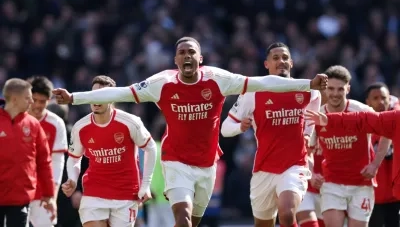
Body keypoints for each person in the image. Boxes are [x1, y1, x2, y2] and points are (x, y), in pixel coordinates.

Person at [53, 37, 328, 227]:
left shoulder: (218, 79)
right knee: (182, 218)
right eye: (182, 52)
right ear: (175, 59)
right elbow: (121, 92)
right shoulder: (162, 83)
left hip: (206, 164)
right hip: (175, 162)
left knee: (193, 220)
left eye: (191, 52)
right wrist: (74, 97)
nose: (187, 56)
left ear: (200, 58)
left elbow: (264, 83)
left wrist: (308, 84)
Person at [220, 42, 321, 227]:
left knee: (287, 212)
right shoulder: (254, 92)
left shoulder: (308, 90)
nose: (281, 61)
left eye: (284, 58)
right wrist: (239, 128)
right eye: (275, 58)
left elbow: (314, 105)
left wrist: (307, 132)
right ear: (266, 64)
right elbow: (225, 128)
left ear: (291, 63)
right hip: (264, 169)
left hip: (294, 166)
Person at [61, 75, 157, 227]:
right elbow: (74, 157)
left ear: (111, 98)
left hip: (125, 194)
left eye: (102, 95)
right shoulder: (80, 127)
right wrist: (72, 179)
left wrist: (145, 185)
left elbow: (151, 148)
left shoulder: (130, 122)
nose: (96, 100)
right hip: (94, 192)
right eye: (93, 95)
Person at [305, 66, 390, 227]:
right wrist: (312, 173)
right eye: (330, 88)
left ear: (348, 88)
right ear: (324, 88)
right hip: (332, 183)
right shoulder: (317, 115)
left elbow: (387, 131)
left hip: (361, 184)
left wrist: (375, 165)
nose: (335, 93)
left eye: (340, 89)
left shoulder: (361, 111)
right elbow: (305, 151)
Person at [0, 78, 56, 227]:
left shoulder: (33, 125)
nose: (31, 102)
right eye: (27, 98)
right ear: (14, 99)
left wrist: (49, 194)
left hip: (21, 199)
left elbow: (44, 161)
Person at [26, 76, 68, 227]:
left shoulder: (56, 124)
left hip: (43, 192)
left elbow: (57, 161)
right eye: (34, 100)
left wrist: (52, 195)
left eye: (42, 101)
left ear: (49, 100)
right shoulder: (13, 120)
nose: (37, 105)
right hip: (15, 190)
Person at [363, 83, 400, 227]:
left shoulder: (396, 119)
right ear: (367, 102)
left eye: (384, 98)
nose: (381, 102)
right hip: (373, 199)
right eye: (375, 98)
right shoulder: (363, 124)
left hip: (396, 197)